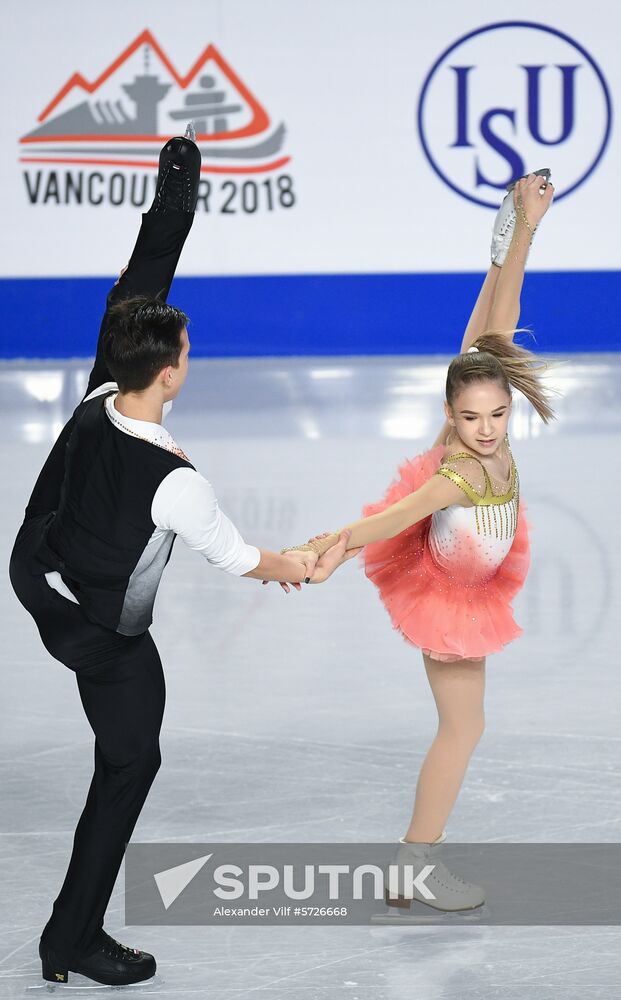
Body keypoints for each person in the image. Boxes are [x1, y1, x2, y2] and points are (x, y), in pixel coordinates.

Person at [9, 130, 354, 987]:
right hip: (95, 630)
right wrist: (315, 561)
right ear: (167, 374)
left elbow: (141, 284)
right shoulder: (175, 483)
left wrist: (175, 201)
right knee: (132, 759)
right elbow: (249, 561)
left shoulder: (102, 385)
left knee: (128, 745)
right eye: (186, 353)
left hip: (34, 569)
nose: (188, 356)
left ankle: (69, 934)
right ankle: (71, 941)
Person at [278, 172, 557, 911]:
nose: (488, 427)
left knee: (464, 726)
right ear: (450, 416)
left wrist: (519, 233)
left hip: (470, 571)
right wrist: (329, 548)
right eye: (471, 419)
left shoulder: (484, 413)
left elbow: (493, 330)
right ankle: (413, 863)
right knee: (461, 730)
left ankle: (415, 860)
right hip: (449, 597)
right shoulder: (456, 473)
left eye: (497, 413)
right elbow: (387, 521)